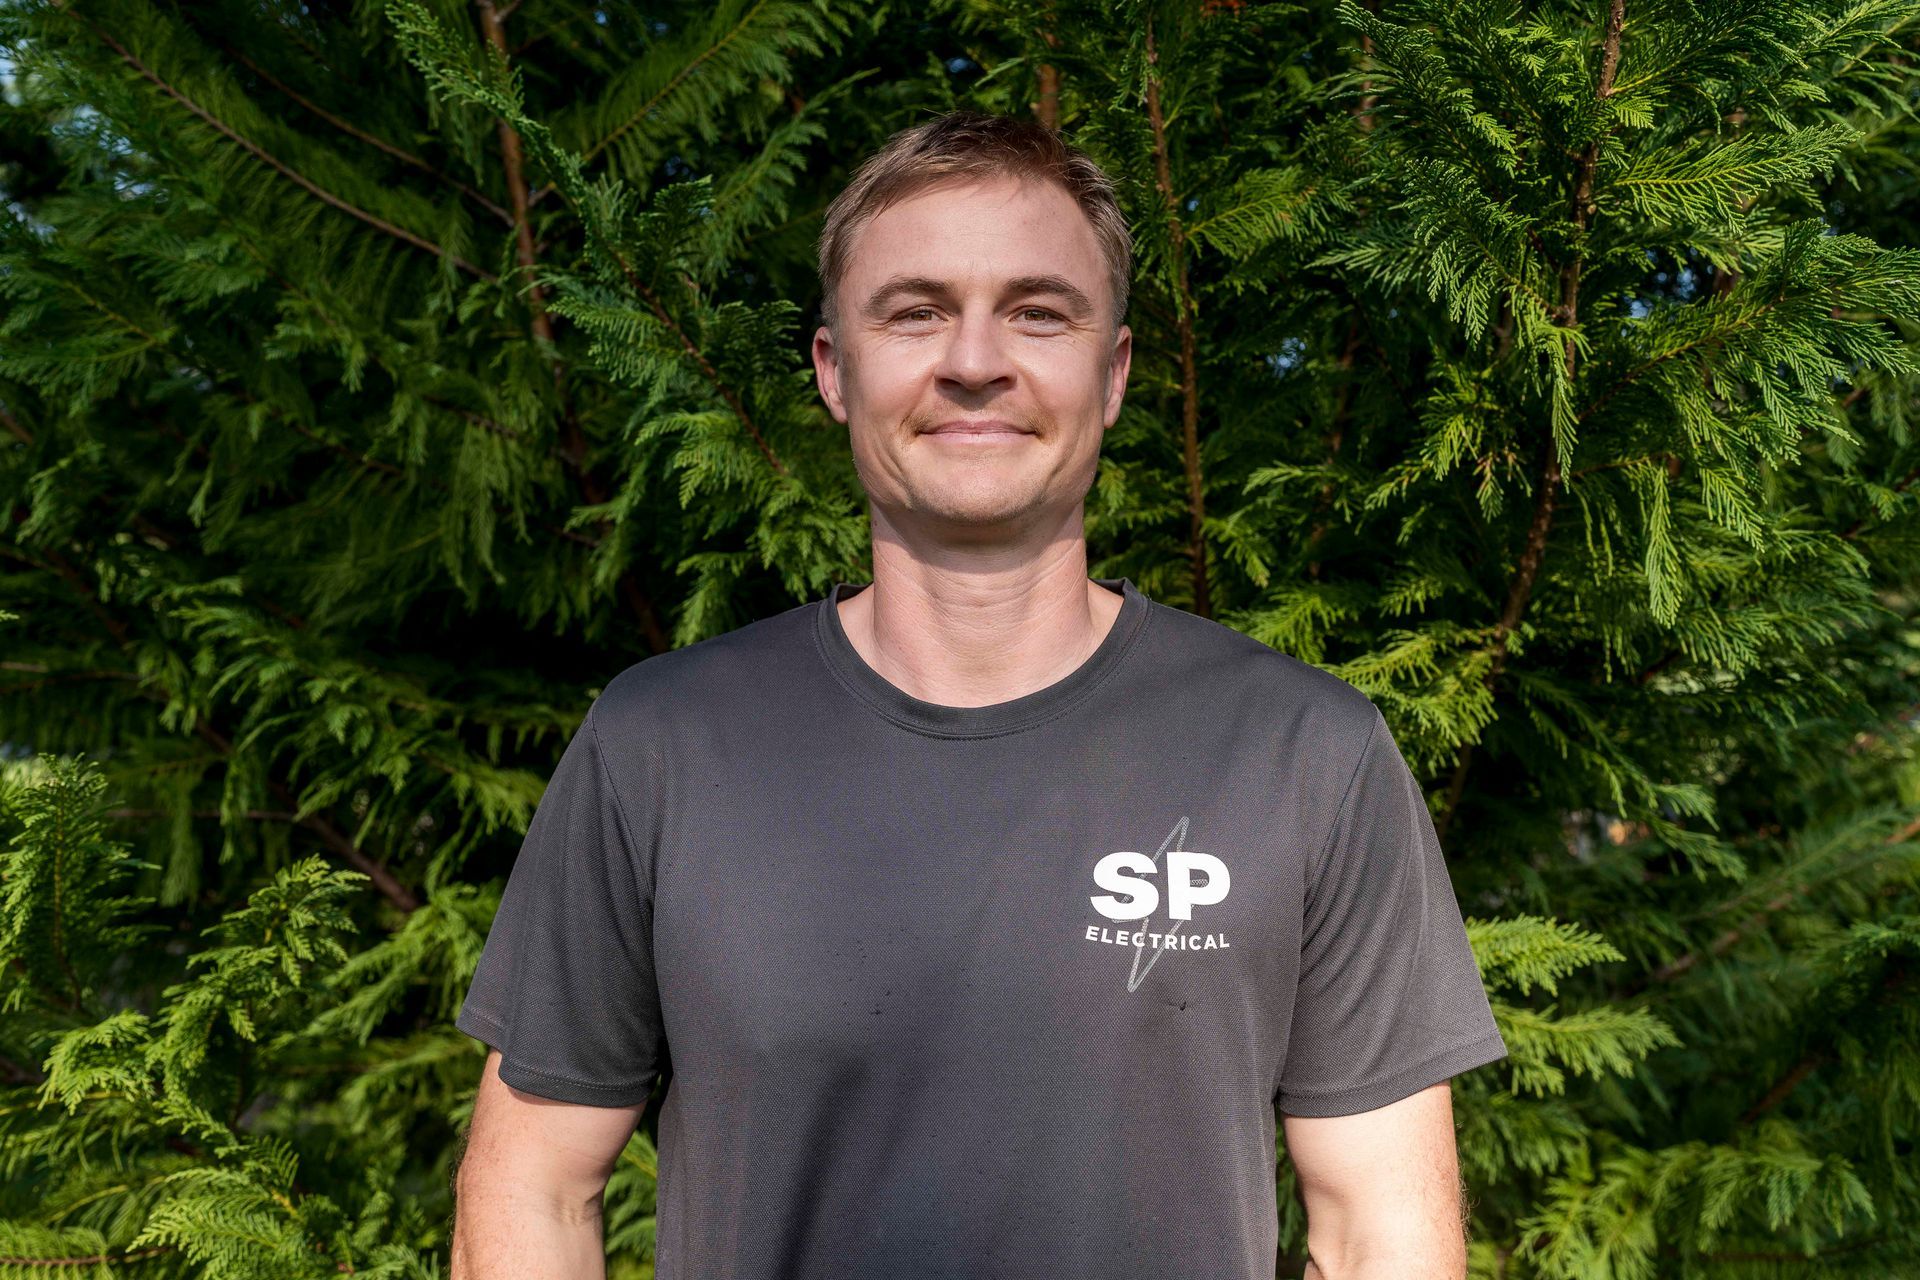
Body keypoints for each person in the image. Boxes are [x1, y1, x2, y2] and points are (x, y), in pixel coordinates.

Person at [450, 109, 1508, 1280]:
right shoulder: (658, 744)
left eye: (1038, 311)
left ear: (1111, 375)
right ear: (834, 371)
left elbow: (1382, 1239)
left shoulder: (1305, 754)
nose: (972, 361)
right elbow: (532, 1190)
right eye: (914, 311)